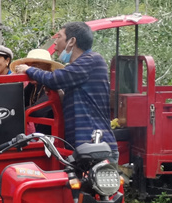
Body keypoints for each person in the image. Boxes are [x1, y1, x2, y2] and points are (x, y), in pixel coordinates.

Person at [14, 22, 117, 154]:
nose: (55, 42)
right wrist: (60, 95)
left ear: (72, 41)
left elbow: (54, 79)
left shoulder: (92, 60)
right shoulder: (75, 70)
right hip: (81, 147)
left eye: (59, 37)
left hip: (95, 145)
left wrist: (28, 69)